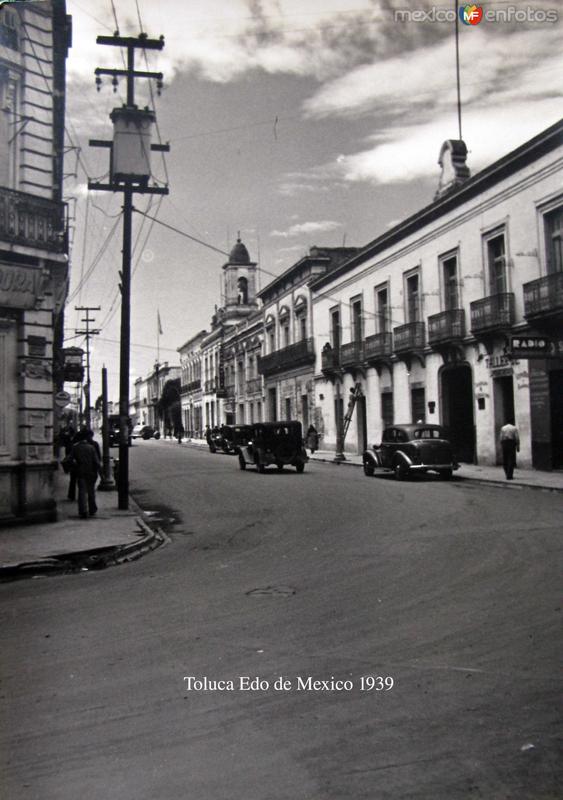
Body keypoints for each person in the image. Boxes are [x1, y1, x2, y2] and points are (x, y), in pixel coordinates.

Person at [71, 429, 101, 518]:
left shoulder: (75, 447)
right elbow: (96, 461)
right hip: (91, 472)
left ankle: (83, 510)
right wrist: (99, 472)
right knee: (91, 491)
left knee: (82, 492)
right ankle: (92, 509)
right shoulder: (91, 447)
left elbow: (70, 459)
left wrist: (75, 465)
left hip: (80, 471)